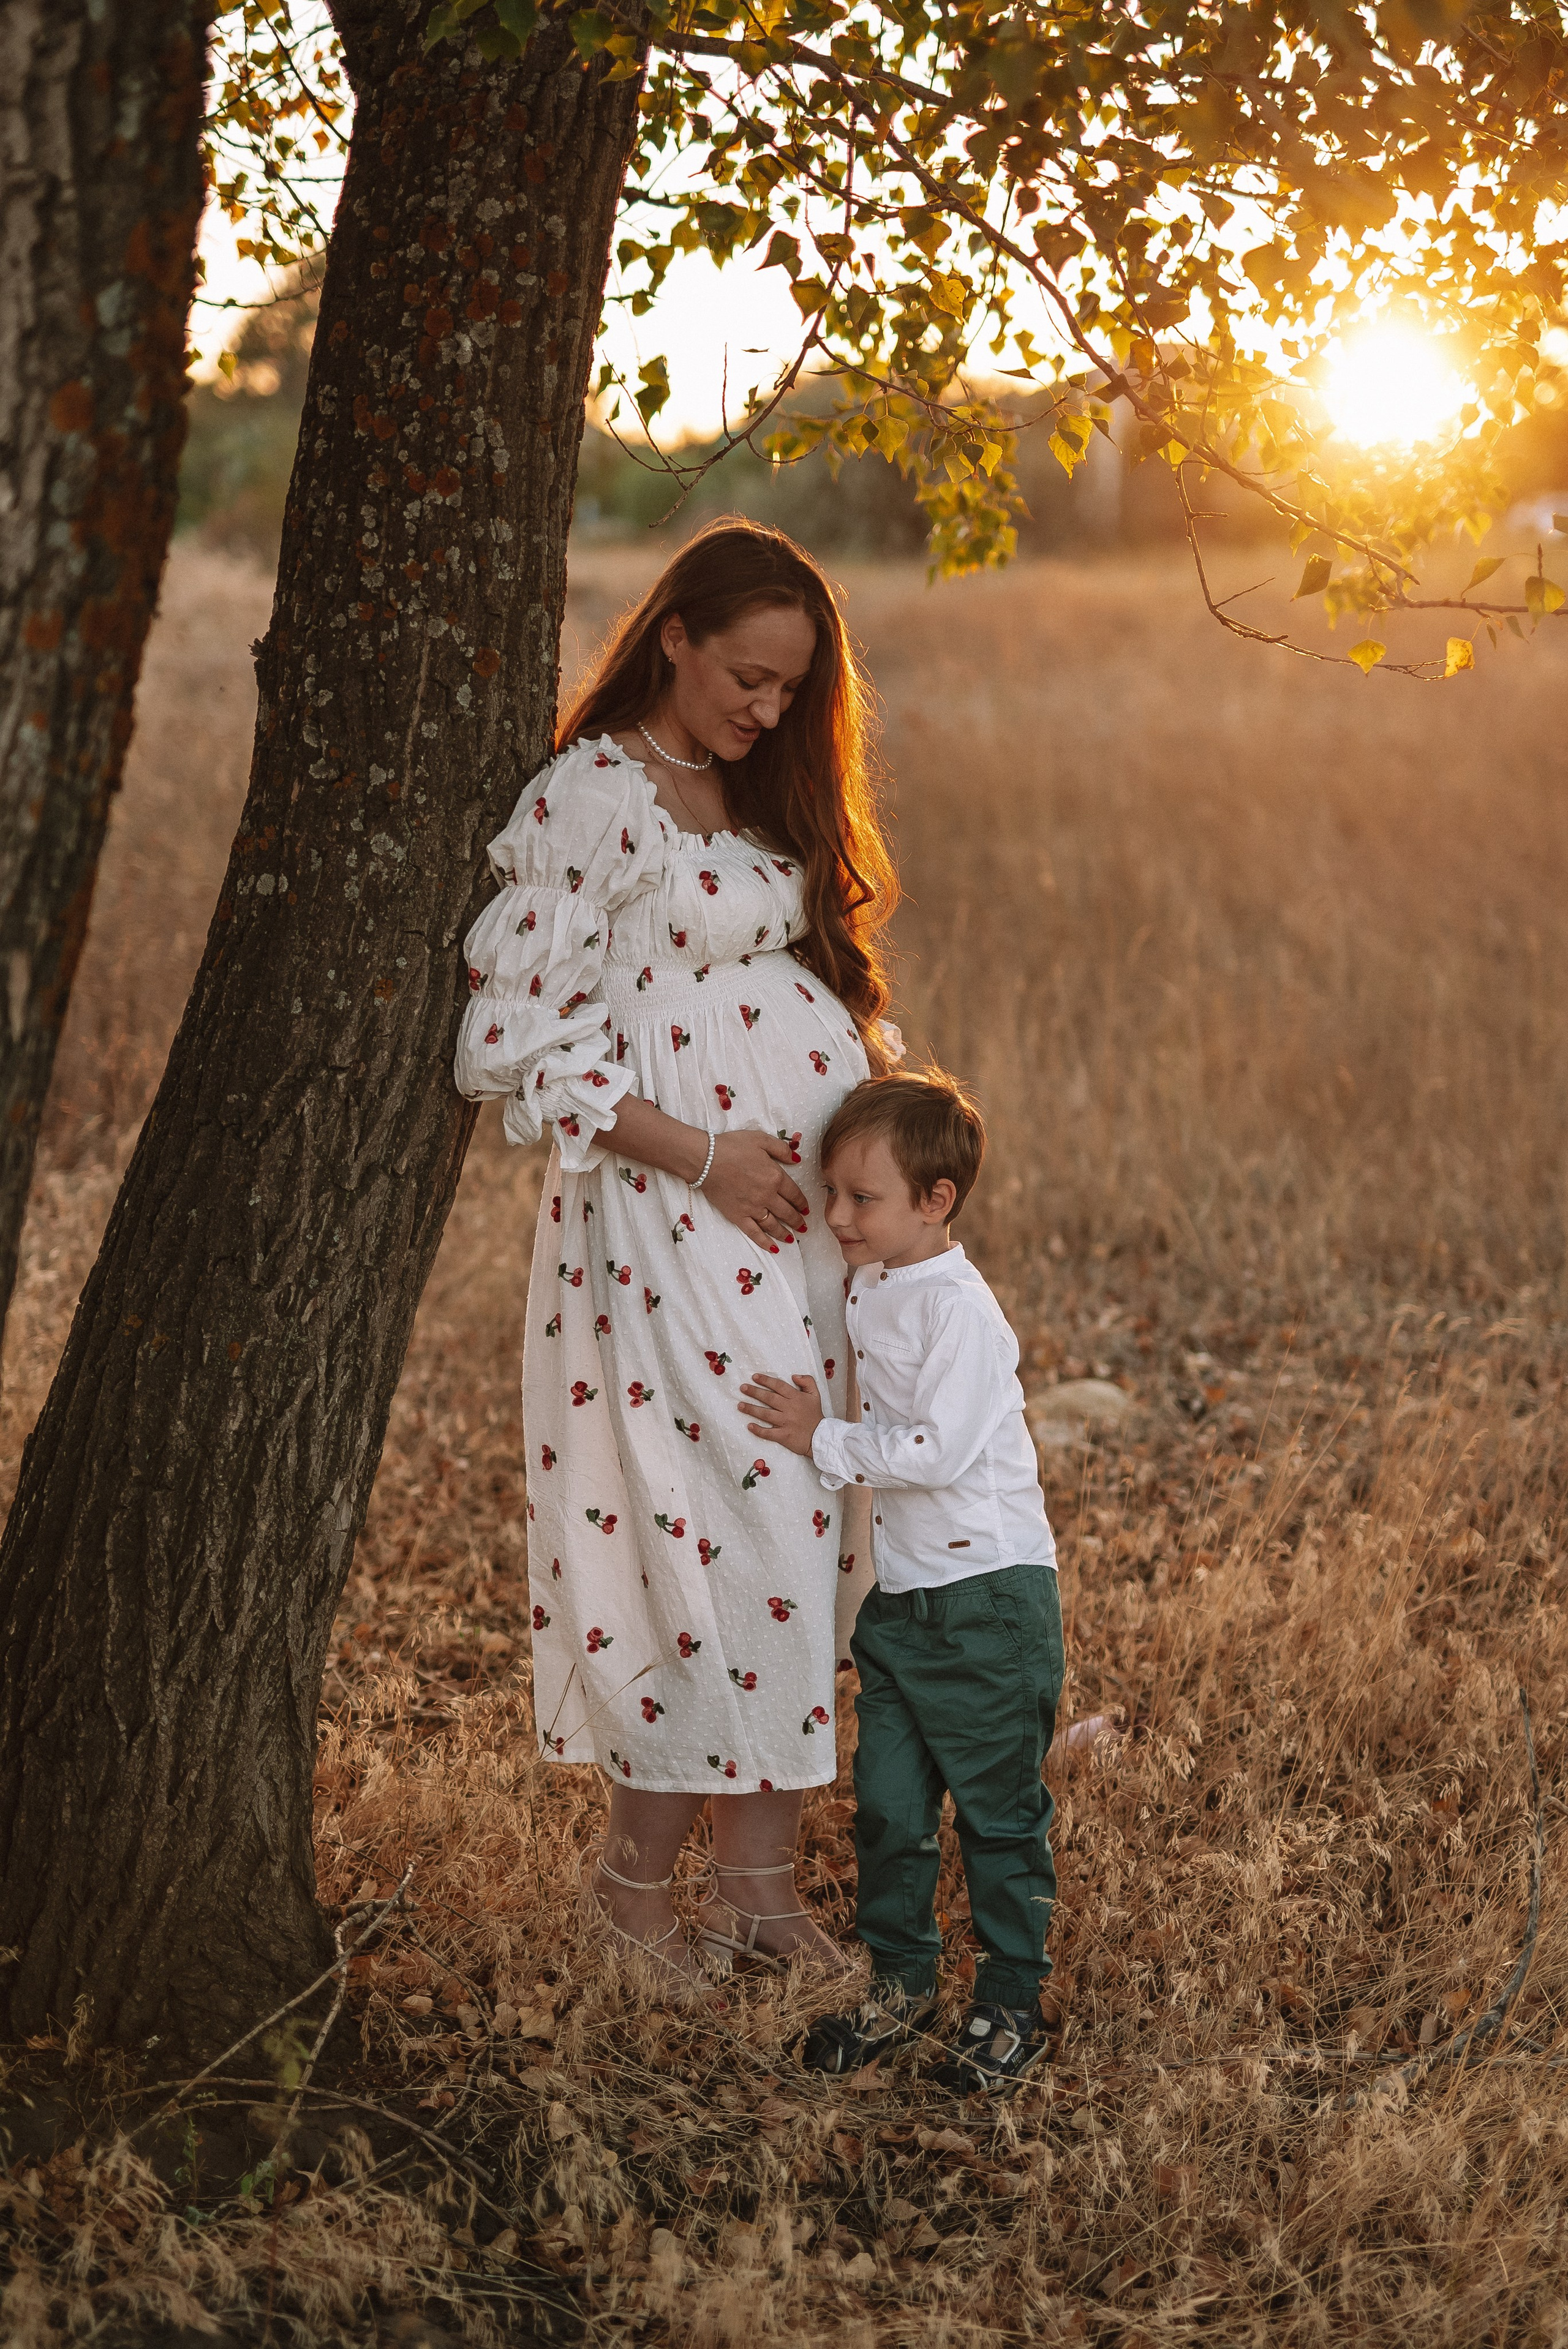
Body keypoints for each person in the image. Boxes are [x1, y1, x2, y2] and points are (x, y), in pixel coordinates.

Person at [454, 519, 895, 1993]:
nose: (766, 709)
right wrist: (711, 1156)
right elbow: (514, 1042)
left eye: (790, 689)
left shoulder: (755, 788)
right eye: (745, 676)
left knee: (806, 1522)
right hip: (672, 1220)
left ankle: (760, 1892)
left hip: (801, 1225)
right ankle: (631, 1895)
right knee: (719, 1530)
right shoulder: (590, 797)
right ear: (674, 637)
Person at [739, 1071, 1065, 2089]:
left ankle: (1011, 2000)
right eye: (832, 1192)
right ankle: (901, 1984)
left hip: (989, 1601)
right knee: (887, 1808)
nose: (837, 1215)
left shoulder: (960, 1312)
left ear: (937, 1200)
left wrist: (821, 1436)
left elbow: (937, 1451)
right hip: (905, 1604)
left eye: (861, 1198)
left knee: (999, 1814)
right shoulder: (878, 1280)